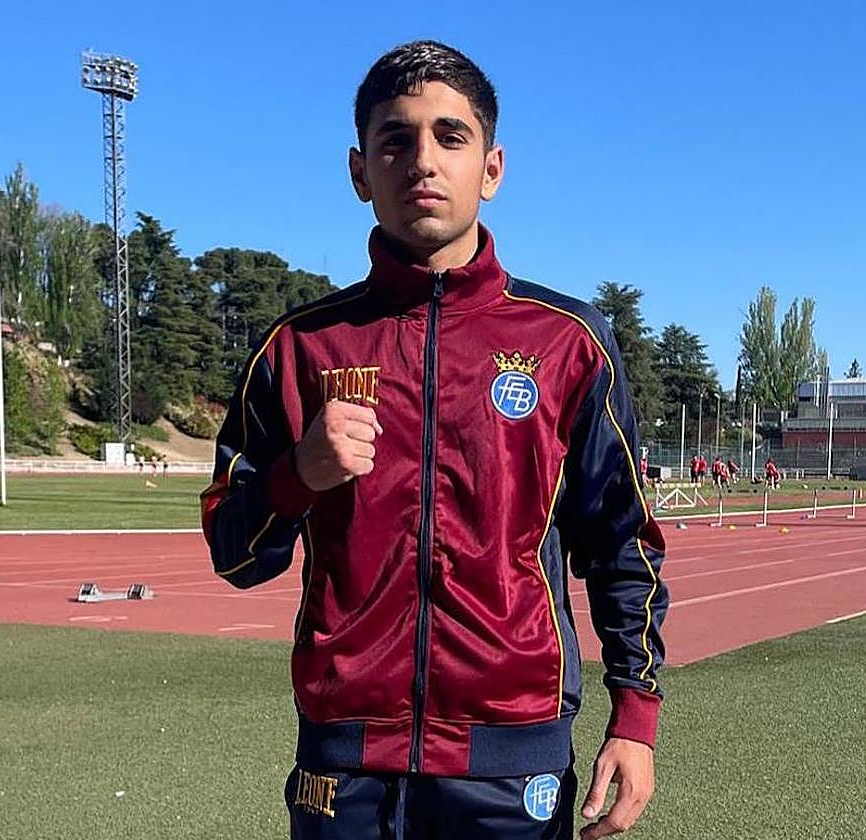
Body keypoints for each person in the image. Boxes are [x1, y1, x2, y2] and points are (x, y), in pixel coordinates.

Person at [201, 41, 667, 840]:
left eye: (450, 137)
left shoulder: (568, 342)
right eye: (395, 139)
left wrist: (635, 717)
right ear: (359, 171)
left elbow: (621, 543)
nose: (422, 160)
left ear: (491, 168)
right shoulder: (298, 349)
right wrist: (298, 474)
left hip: (512, 761)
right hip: (344, 767)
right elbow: (235, 553)